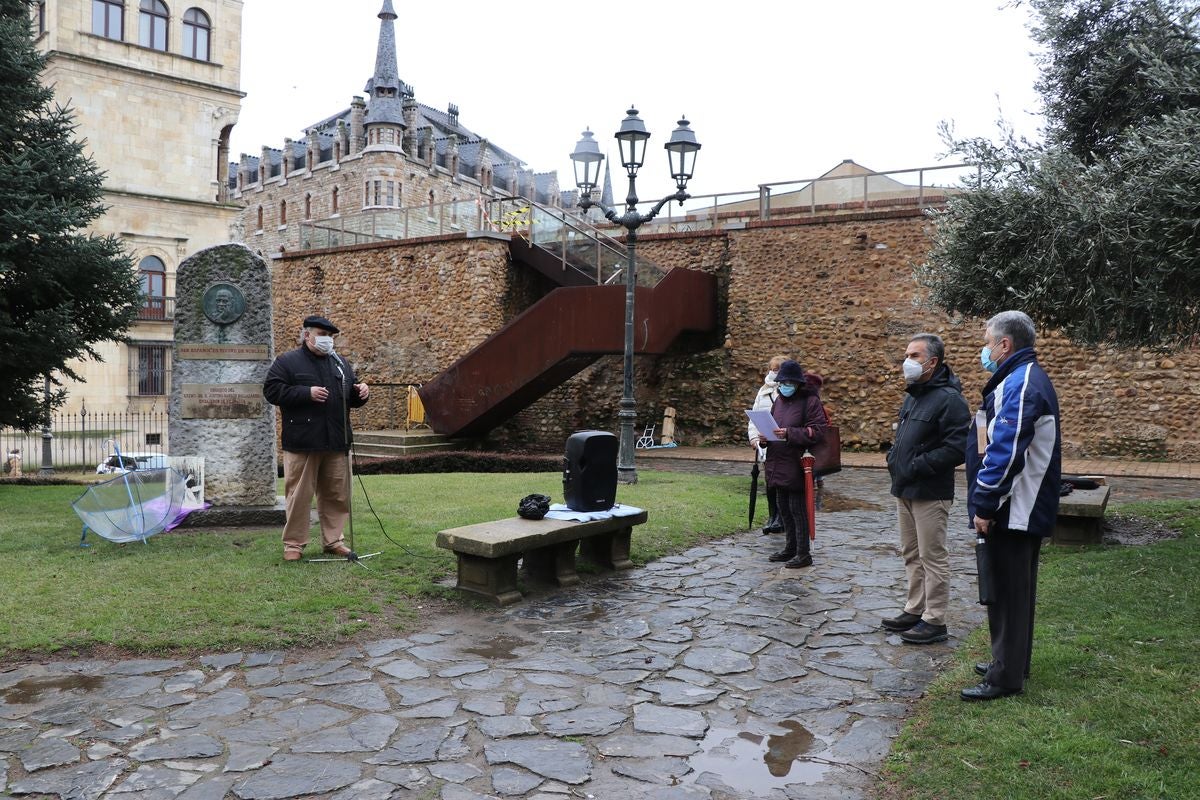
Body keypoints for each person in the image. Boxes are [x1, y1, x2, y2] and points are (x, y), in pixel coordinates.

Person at [962, 310, 1061, 700]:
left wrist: (984, 504)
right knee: (1015, 591)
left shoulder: (1021, 384)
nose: (984, 350)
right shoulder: (1021, 378)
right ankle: (1011, 661)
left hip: (1015, 506)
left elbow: (1005, 451)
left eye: (987, 342)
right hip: (1019, 504)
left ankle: (1005, 678)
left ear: (1005, 345)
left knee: (1006, 592)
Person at [882, 333, 970, 644]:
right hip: (904, 487)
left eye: (914, 356)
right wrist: (895, 459)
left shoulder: (950, 400)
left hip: (930, 491)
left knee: (932, 556)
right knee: (911, 552)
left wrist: (919, 465)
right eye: (907, 354)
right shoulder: (914, 395)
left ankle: (935, 619)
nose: (907, 361)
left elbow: (959, 447)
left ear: (932, 362)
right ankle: (914, 608)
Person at [263, 315, 370, 562]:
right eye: (322, 335)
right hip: (303, 441)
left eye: (331, 337)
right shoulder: (288, 361)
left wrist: (361, 393)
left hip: (337, 440)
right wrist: (305, 393)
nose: (327, 340)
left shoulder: (340, 363)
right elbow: (271, 390)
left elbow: (350, 396)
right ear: (307, 335)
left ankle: (333, 540)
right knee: (299, 496)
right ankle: (294, 544)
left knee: (337, 494)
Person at [753, 359, 828, 568]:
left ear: (797, 383)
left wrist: (789, 433)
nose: (784, 386)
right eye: (781, 382)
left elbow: (818, 431)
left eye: (788, 382)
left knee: (797, 510)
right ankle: (790, 548)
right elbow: (774, 426)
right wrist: (765, 438)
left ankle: (803, 553)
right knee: (783, 508)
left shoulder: (810, 402)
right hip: (777, 461)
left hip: (796, 464)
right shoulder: (778, 401)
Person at [747, 354, 789, 534]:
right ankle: (772, 516)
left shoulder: (788, 389)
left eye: (777, 369)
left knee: (782, 482)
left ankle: (782, 517)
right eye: (772, 368)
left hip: (785, 443)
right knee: (770, 482)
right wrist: (754, 438)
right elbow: (754, 416)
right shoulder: (763, 390)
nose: (773, 372)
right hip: (766, 444)